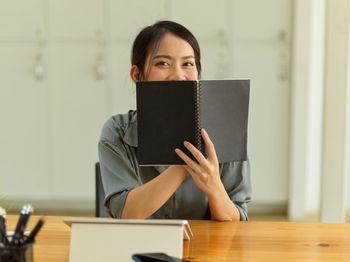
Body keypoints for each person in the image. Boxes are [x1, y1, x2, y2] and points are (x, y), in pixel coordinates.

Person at [98, 20, 252, 221]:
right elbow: (127, 214)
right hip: (140, 249)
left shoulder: (225, 128)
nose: (178, 76)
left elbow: (237, 221)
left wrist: (213, 186)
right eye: (163, 63)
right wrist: (185, 162)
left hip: (205, 249)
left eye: (188, 64)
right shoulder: (117, 131)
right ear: (138, 75)